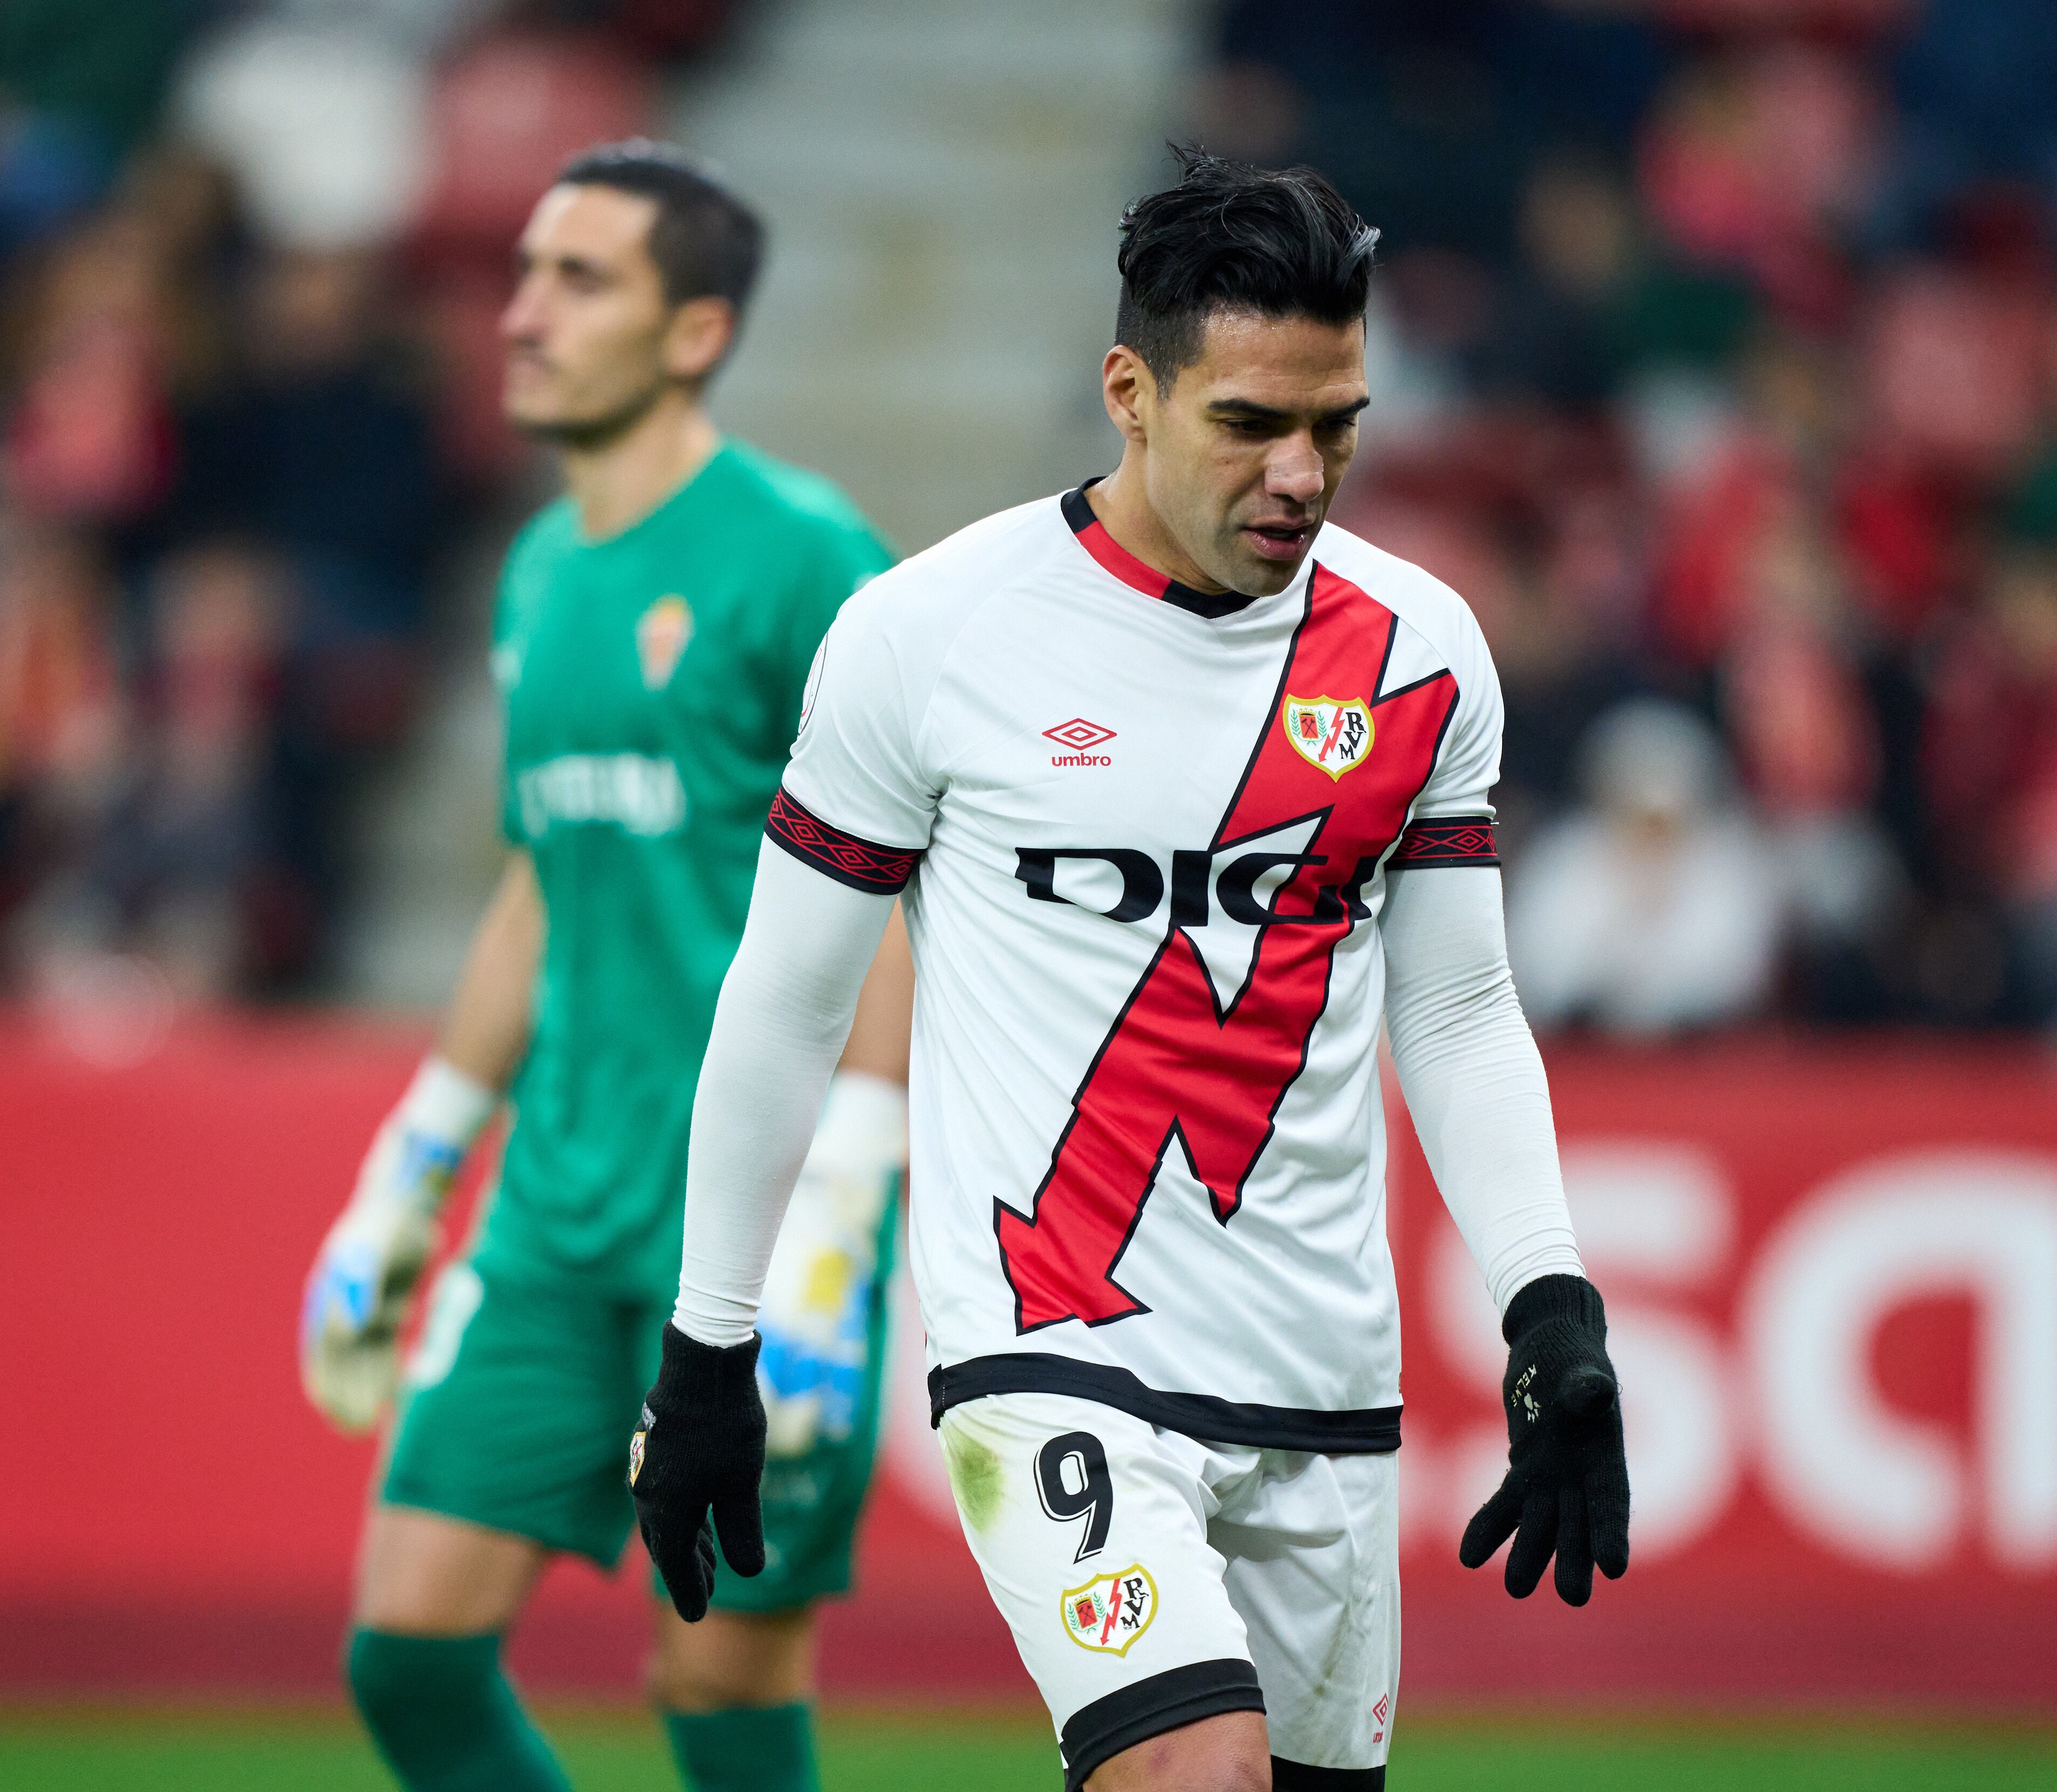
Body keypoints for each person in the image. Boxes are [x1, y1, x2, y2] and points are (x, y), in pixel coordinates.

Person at [632, 152, 1630, 1790]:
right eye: (1250, 423)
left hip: (1322, 1373)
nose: (1303, 475)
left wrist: (1553, 1307)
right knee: (1197, 1776)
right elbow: (789, 1000)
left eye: (1340, 426)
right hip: (1054, 1341)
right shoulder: (926, 637)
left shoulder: (1422, 650)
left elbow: (1453, 1009)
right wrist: (708, 1346)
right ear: (1130, 393)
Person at [295, 141, 910, 1792]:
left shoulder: (804, 555)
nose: (521, 316)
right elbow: (535, 883)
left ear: (696, 331)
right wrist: (411, 1170)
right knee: (408, 1656)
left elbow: (897, 888)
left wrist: (844, 1212)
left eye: (579, 281)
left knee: (713, 1684)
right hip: (558, 1205)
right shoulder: (541, 570)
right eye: (522, 275)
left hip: (758, 1219)